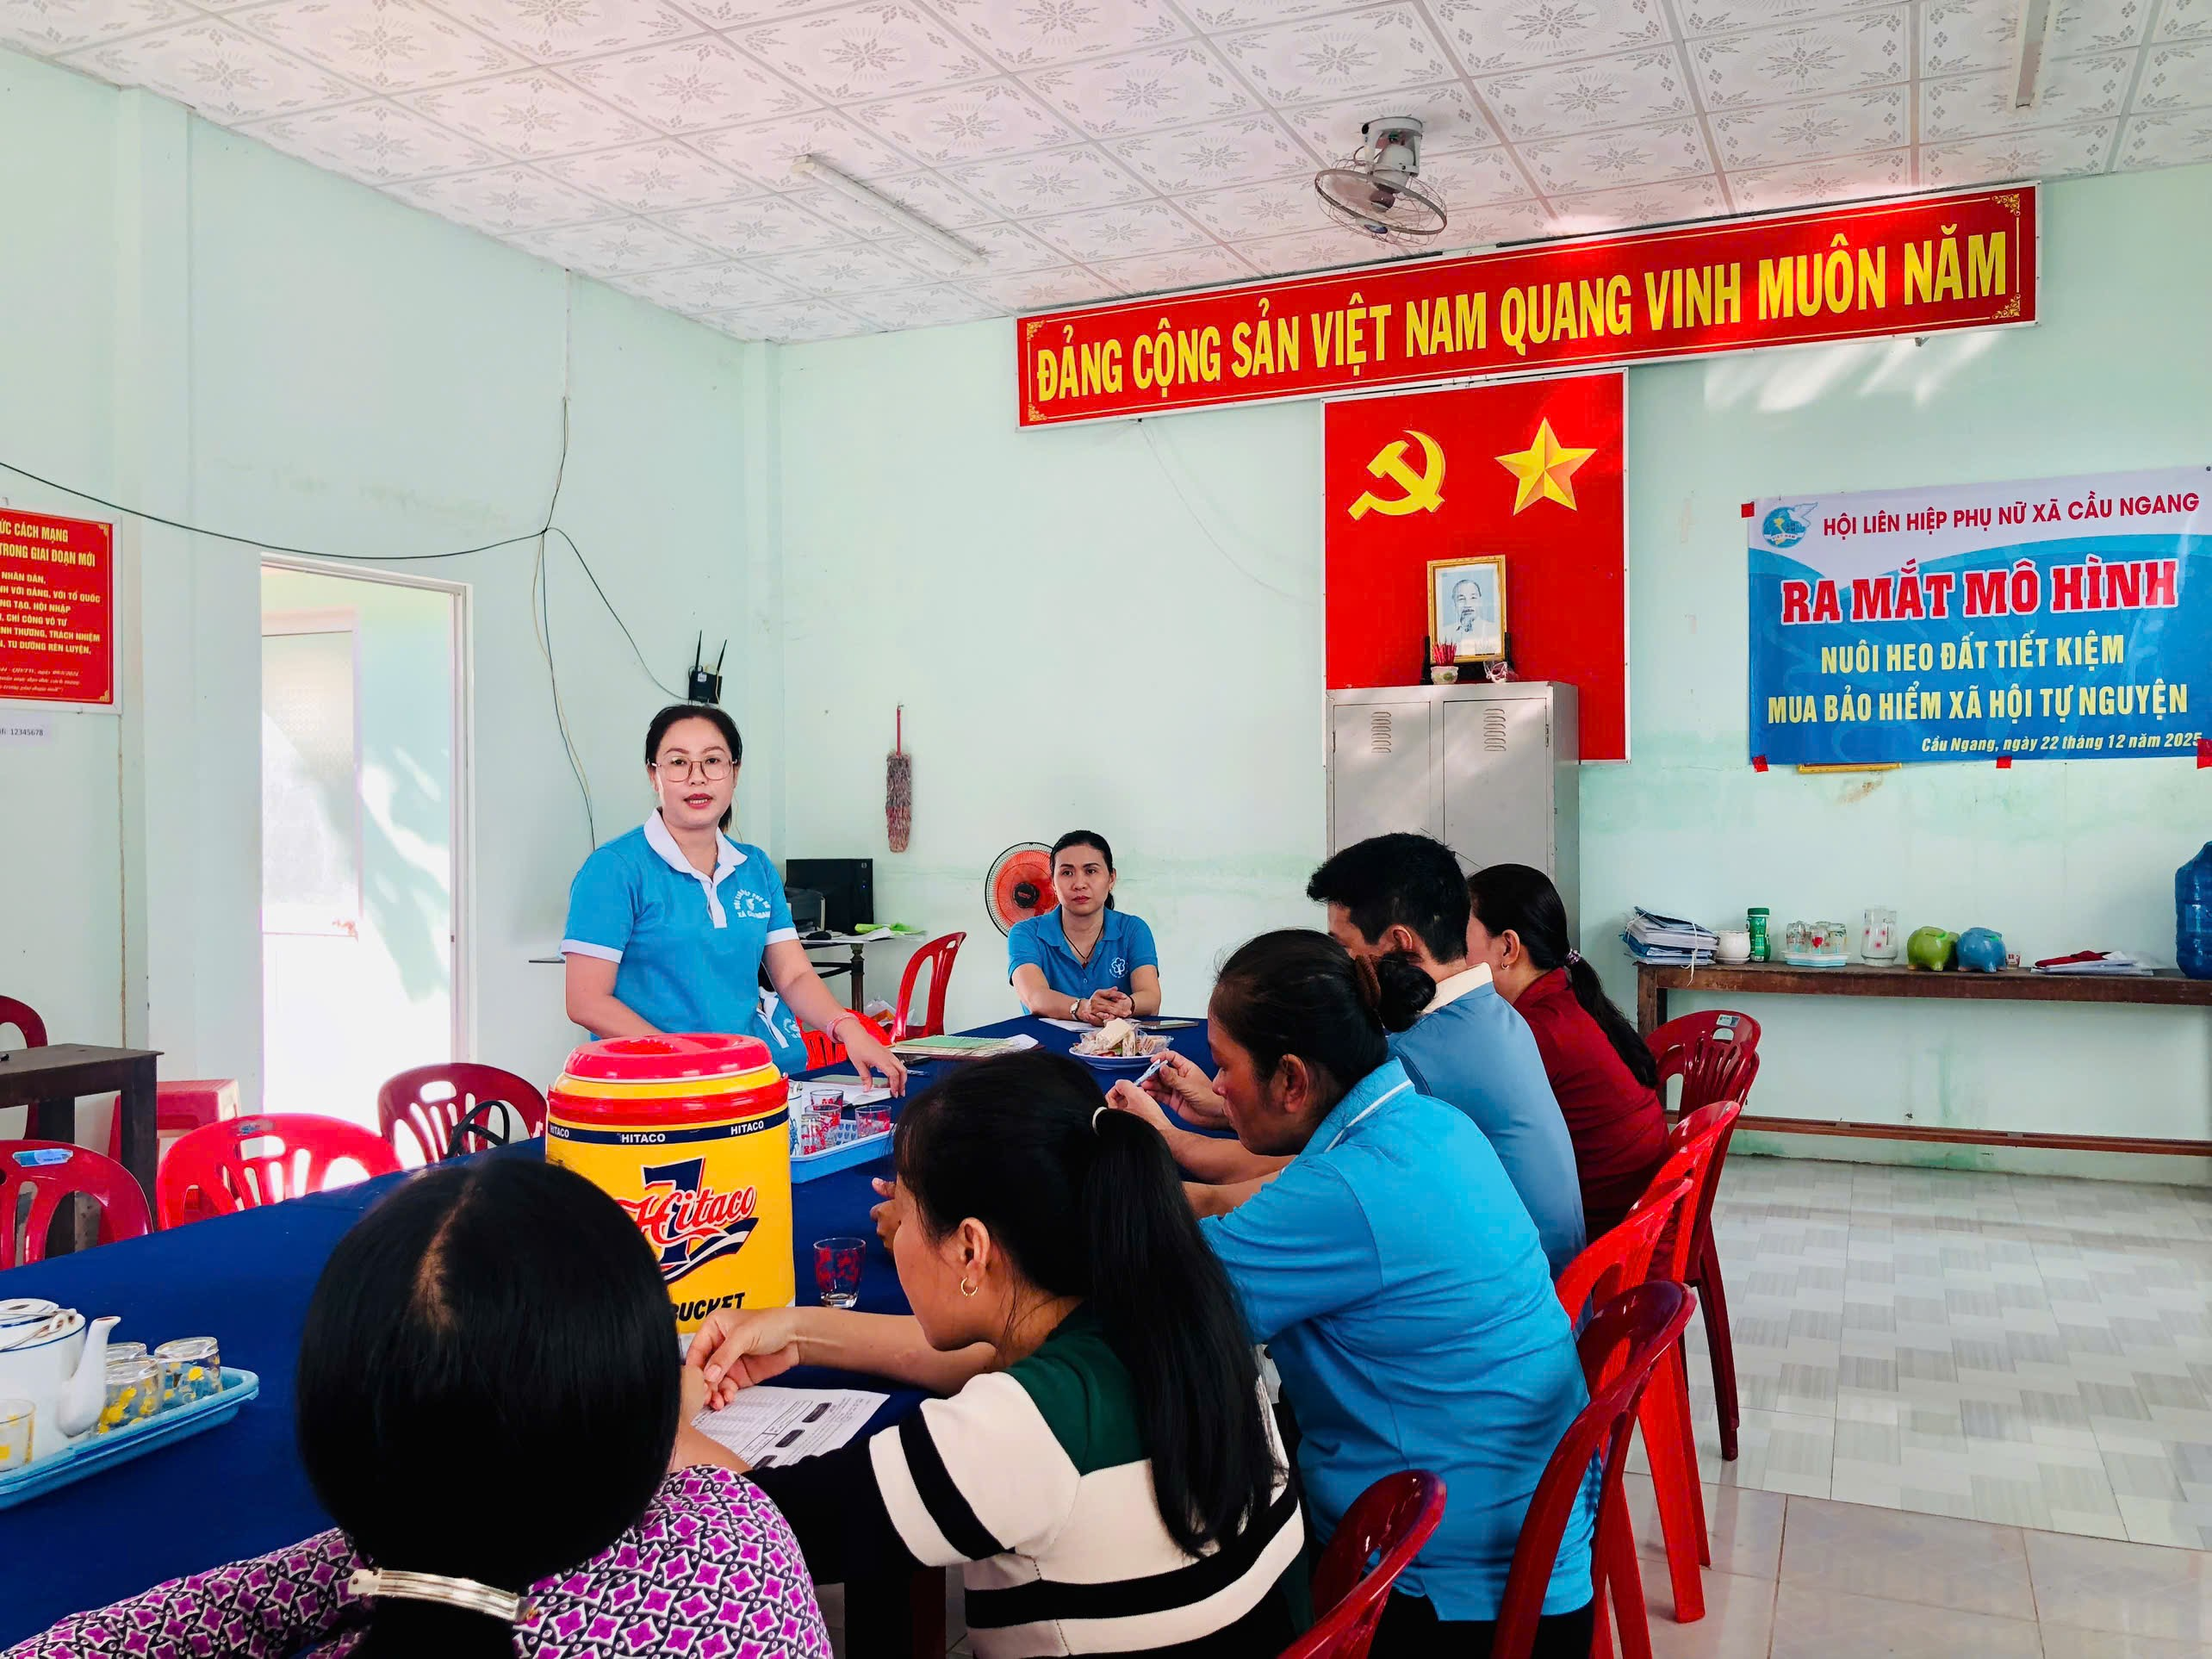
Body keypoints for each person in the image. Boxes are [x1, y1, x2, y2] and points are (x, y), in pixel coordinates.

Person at [8, 1159, 831, 1658]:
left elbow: (247, 1598)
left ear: (325, 1434)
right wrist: (661, 1417)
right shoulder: (733, 1540)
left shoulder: (390, 1572)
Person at [686, 1050, 1303, 1658]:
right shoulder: (1175, 1313)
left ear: (970, 1249)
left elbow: (754, 1528)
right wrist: (797, 1333)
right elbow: (972, 1362)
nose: (893, 1233)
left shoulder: (1021, 1430)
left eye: (902, 1215)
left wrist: (664, 1413)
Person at [1118, 931, 1594, 1657]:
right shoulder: (1429, 1122)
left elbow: (1157, 1302)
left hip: (1443, 1590)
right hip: (1524, 1541)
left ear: (1292, 1081)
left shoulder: (1346, 1189)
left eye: (1225, 1066)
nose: (1217, 1085)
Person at [1122, 834, 1584, 1277]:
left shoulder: (1412, 1061)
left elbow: (1298, 1187)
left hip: (1499, 1280)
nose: (1337, 966)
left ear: (1399, 945)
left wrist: (1165, 1158)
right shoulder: (1490, 1015)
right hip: (1539, 1276)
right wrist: (1221, 1109)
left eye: (1342, 948)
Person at [562, 702, 904, 1091]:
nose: (697, 778)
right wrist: (685, 1060)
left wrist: (846, 1026)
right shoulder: (613, 869)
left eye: (713, 761)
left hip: (743, 1078)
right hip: (648, 1087)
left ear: (734, 773)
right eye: (678, 762)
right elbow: (587, 1001)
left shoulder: (754, 867)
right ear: (653, 774)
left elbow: (793, 975)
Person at [1469, 863, 1668, 1239]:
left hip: (1610, 1235)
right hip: (1635, 1211)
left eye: (1460, 936)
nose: (1452, 952)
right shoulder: (1565, 995)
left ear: (1508, 947)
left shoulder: (1538, 1030)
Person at [1008, 830, 1161, 1024]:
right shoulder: (1025, 933)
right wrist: (1082, 1008)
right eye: (1067, 873)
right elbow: (1034, 997)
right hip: (1046, 1043)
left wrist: (1127, 1005)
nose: (1079, 884)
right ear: (1053, 883)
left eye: (1090, 871)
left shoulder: (1133, 929)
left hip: (1119, 1042)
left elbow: (1151, 997)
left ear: (1111, 879)